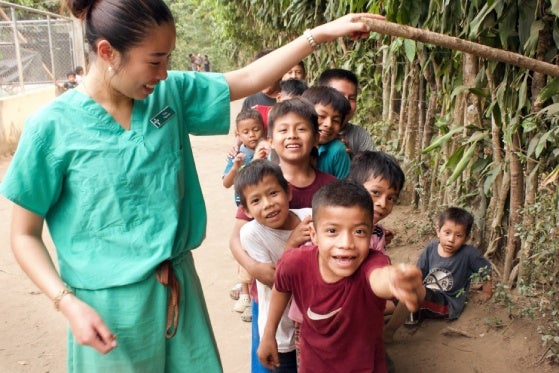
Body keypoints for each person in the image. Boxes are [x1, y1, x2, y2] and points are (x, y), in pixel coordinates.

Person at [0, 0, 384, 369]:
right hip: (106, 310)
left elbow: (250, 77)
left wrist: (322, 34)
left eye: (168, 58)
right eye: (155, 60)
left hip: (179, 291)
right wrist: (67, 303)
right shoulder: (51, 128)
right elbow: (24, 235)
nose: (164, 72)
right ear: (107, 52)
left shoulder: (169, 95)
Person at [257, 180, 426, 372]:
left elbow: (380, 278)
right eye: (332, 231)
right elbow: (281, 288)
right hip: (313, 366)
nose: (346, 243)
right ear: (313, 234)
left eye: (359, 231)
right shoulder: (294, 262)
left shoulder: (372, 263)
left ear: (371, 233)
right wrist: (268, 334)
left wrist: (398, 281)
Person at [229, 97, 337, 372]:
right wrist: (255, 268)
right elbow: (236, 238)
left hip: (315, 300)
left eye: (301, 129)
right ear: (271, 139)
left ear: (316, 138)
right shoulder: (259, 181)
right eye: (283, 130)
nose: (291, 135)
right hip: (267, 297)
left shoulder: (330, 188)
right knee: (272, 358)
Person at [236, 159, 313, 373]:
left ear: (288, 193)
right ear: (246, 210)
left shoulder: (311, 218)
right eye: (256, 200)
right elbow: (275, 280)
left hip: (315, 327)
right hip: (281, 332)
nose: (268, 204)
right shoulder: (252, 234)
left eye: (273, 193)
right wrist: (292, 244)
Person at [383, 207, 493, 343]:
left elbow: (485, 269)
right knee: (396, 291)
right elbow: (420, 273)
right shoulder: (431, 248)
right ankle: (368, 320)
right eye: (447, 233)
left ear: (467, 238)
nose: (451, 239)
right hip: (425, 295)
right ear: (438, 231)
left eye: (458, 235)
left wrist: (487, 292)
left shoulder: (469, 253)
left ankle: (388, 332)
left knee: (411, 293)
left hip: (446, 303)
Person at [222, 109, 266, 319]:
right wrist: (236, 166)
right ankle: (246, 294)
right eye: (246, 132)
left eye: (256, 129)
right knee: (244, 249)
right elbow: (226, 182)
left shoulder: (268, 148)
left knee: (259, 249)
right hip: (244, 210)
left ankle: (255, 292)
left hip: (264, 209)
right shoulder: (238, 155)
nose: (252, 135)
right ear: (237, 135)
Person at [318, 68, 375, 155]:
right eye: (339, 95)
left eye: (352, 98)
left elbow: (374, 167)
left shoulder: (359, 135)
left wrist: (350, 157)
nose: (346, 103)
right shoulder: (303, 129)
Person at [302, 85, 351, 178]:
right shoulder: (292, 142)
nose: (328, 124)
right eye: (321, 116)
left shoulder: (337, 150)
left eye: (336, 120)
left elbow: (346, 189)